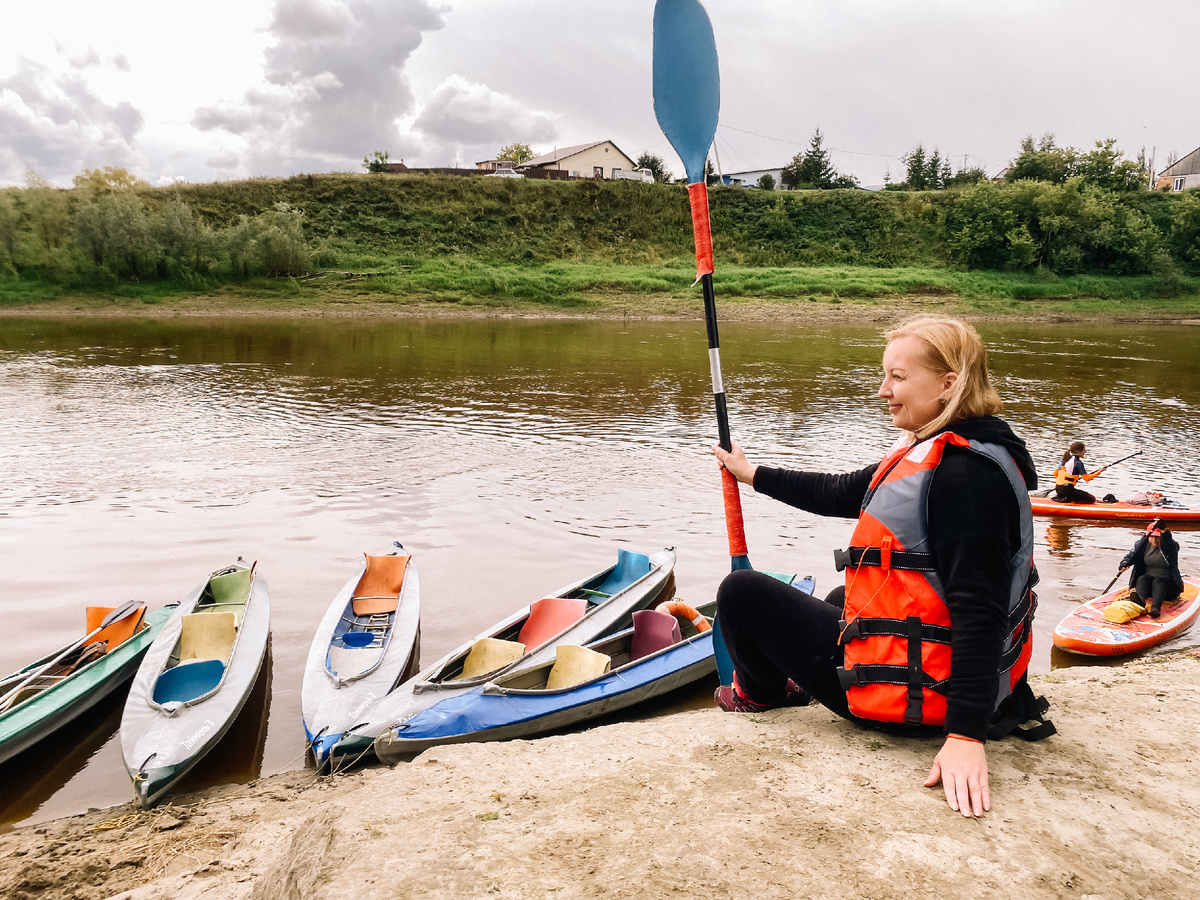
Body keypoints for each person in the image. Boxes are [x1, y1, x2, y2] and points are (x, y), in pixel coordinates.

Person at [711, 315, 1052, 820]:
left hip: (920, 701)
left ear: (947, 383)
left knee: (741, 593)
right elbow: (840, 492)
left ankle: (759, 696)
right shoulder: (964, 444)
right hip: (933, 676)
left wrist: (964, 736)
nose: (882, 390)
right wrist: (752, 474)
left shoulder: (963, 479)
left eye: (897, 377)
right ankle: (797, 684)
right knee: (836, 601)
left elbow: (979, 613)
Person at [1118, 519, 1183, 618]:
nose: (1154, 540)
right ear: (1147, 536)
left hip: (1168, 588)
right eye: (1152, 537)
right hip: (1149, 588)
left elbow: (1169, 543)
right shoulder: (1142, 545)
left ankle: (1155, 609)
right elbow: (1132, 555)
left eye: (1157, 537)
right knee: (1142, 578)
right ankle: (1139, 602)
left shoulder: (1171, 547)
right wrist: (1125, 563)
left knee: (1158, 581)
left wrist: (1164, 530)